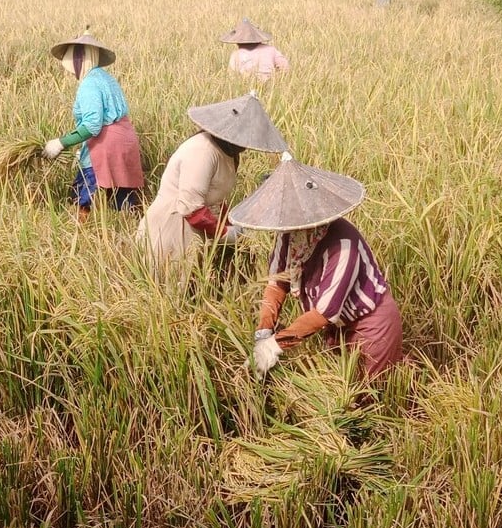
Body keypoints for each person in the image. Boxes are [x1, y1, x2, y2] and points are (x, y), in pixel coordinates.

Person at [233, 153, 404, 379]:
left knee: (372, 389)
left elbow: (324, 313)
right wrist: (264, 330)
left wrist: (273, 346)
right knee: (340, 383)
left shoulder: (343, 245)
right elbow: (277, 282)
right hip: (336, 328)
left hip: (370, 326)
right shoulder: (290, 234)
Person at [136, 92, 288, 276]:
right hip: (173, 226)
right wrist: (225, 233)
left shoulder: (229, 153)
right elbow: (190, 208)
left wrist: (232, 223)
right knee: (173, 282)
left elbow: (215, 197)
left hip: (195, 227)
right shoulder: (202, 151)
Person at [41, 29, 144, 220]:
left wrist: (61, 143)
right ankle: (134, 230)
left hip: (105, 145)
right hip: (126, 142)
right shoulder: (106, 78)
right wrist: (82, 149)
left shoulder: (88, 84)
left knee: (83, 195)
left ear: (78, 60)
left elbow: (92, 125)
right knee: (123, 198)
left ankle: (80, 229)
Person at [221, 18, 289, 81]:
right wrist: (276, 79)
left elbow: (232, 77)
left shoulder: (235, 55)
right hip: (270, 83)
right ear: (259, 38)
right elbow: (285, 68)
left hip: (246, 84)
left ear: (238, 42)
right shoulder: (271, 49)